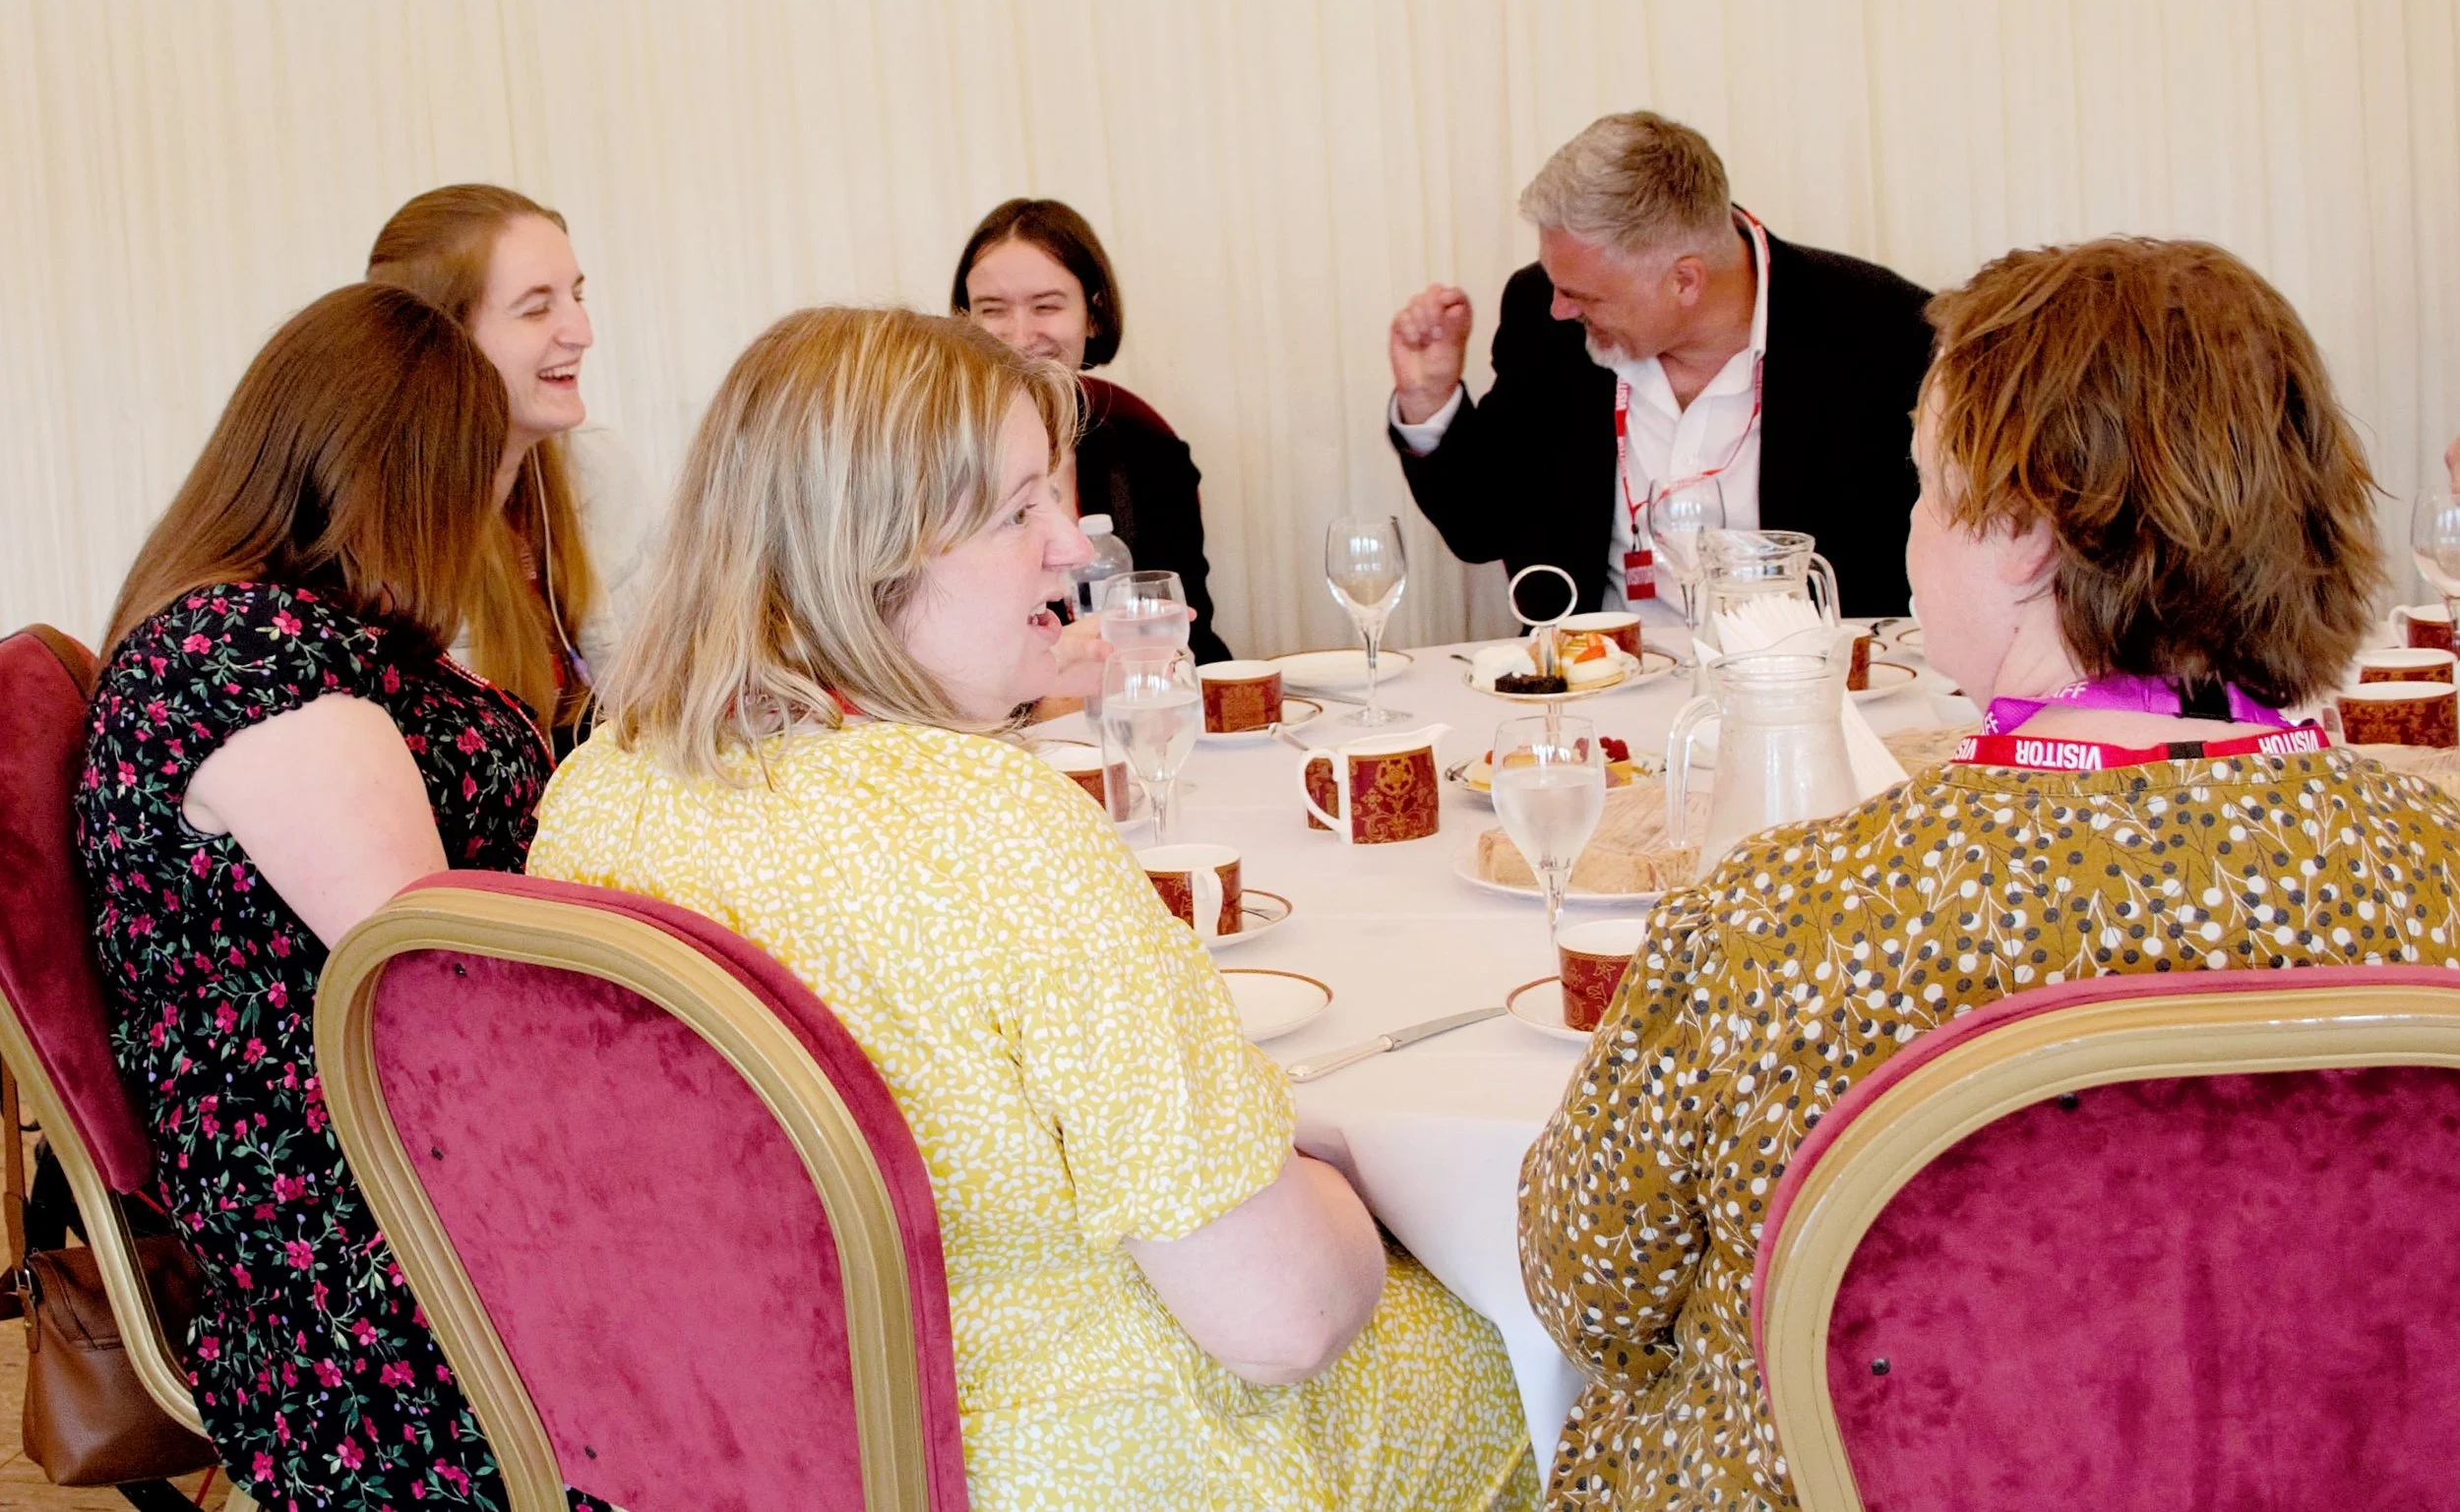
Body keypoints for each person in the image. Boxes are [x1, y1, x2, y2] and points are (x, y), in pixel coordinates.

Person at [529, 306, 1534, 1509]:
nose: (1073, 545)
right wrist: (1350, 1191)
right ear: (873, 552)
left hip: (733, 1441)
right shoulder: (990, 824)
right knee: (1527, 1344)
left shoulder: (599, 791)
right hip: (1059, 1462)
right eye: (1018, 512)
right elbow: (1284, 1319)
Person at [1516, 235, 2460, 1509]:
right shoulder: (2436, 878)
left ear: (2022, 532)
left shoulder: (1777, 922)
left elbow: (1590, 1294)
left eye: (1922, 491)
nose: (1912, 529)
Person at [76, 285, 600, 1510]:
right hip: (363, 1246)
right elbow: (436, 982)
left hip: (387, 1177)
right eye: (476, 471)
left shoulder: (284, 632)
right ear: (406, 478)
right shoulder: (256, 662)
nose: (487, 507)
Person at [1387, 111, 1933, 620]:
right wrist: (1428, 400)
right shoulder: (1544, 314)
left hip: (1811, 693)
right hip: (1600, 690)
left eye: (1587, 296)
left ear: (1685, 281)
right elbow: (1483, 526)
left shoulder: (1884, 332)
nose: (1561, 309)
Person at [369, 183, 657, 752]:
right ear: (438, 340)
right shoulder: (376, 540)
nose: (583, 333)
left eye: (577, 297)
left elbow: (664, 692)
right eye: (537, 309)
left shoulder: (596, 465)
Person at [953, 197, 1230, 662]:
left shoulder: (1148, 454)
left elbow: (1188, 631)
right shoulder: (924, 456)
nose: (1019, 337)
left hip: (1129, 701)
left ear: (1094, 314)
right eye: (992, 309)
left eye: (1045, 306)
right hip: (988, 723)